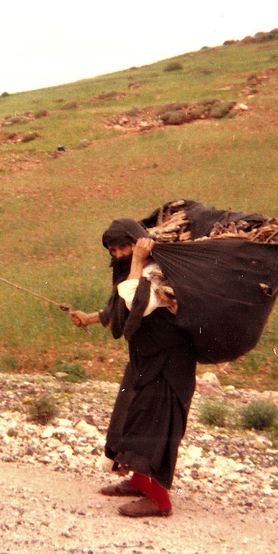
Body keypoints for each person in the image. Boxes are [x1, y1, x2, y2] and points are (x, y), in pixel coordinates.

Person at [69, 218, 197, 518]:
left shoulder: (157, 272)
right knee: (129, 415)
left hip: (168, 364)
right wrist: (88, 318)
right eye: (112, 250)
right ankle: (139, 481)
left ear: (139, 243)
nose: (117, 255)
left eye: (123, 248)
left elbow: (136, 304)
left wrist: (138, 261)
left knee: (155, 426)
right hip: (145, 360)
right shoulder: (135, 271)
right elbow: (119, 312)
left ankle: (160, 500)